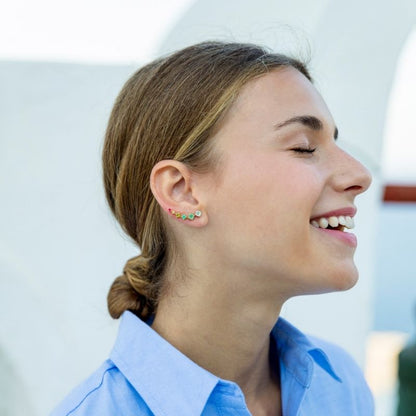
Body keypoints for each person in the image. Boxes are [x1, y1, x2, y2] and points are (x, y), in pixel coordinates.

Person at [52, 41, 374, 416]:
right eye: (304, 147)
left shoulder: (339, 387)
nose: (359, 175)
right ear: (182, 192)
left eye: (334, 142)